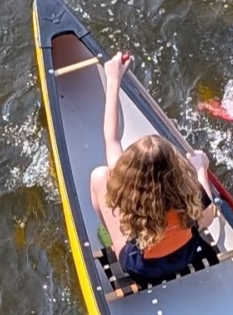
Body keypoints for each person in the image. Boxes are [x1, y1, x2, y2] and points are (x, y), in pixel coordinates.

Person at [87, 52, 219, 284]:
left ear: (131, 170)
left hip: (141, 268)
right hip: (185, 256)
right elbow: (208, 218)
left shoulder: (129, 194)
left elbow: (112, 138)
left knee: (100, 177)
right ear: (175, 166)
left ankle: (109, 234)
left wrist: (113, 79)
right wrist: (201, 169)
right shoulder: (187, 190)